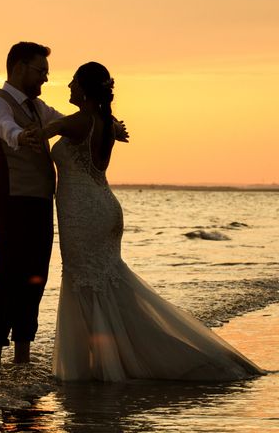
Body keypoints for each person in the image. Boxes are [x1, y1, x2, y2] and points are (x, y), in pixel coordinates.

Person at [42, 62, 264, 381]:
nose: (69, 87)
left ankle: (105, 368)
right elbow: (90, 124)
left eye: (74, 82)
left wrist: (17, 133)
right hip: (100, 208)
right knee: (103, 285)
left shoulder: (80, 121)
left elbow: (46, 129)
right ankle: (108, 360)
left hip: (85, 214)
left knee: (88, 282)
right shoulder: (102, 120)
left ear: (87, 89)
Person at [0, 43, 127, 367]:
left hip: (42, 203)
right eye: (40, 71)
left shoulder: (38, 107)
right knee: (6, 274)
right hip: (12, 201)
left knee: (36, 277)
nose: (46, 78)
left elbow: (74, 121)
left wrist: (108, 125)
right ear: (19, 68)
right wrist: (20, 136)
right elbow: (5, 128)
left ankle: (22, 359)